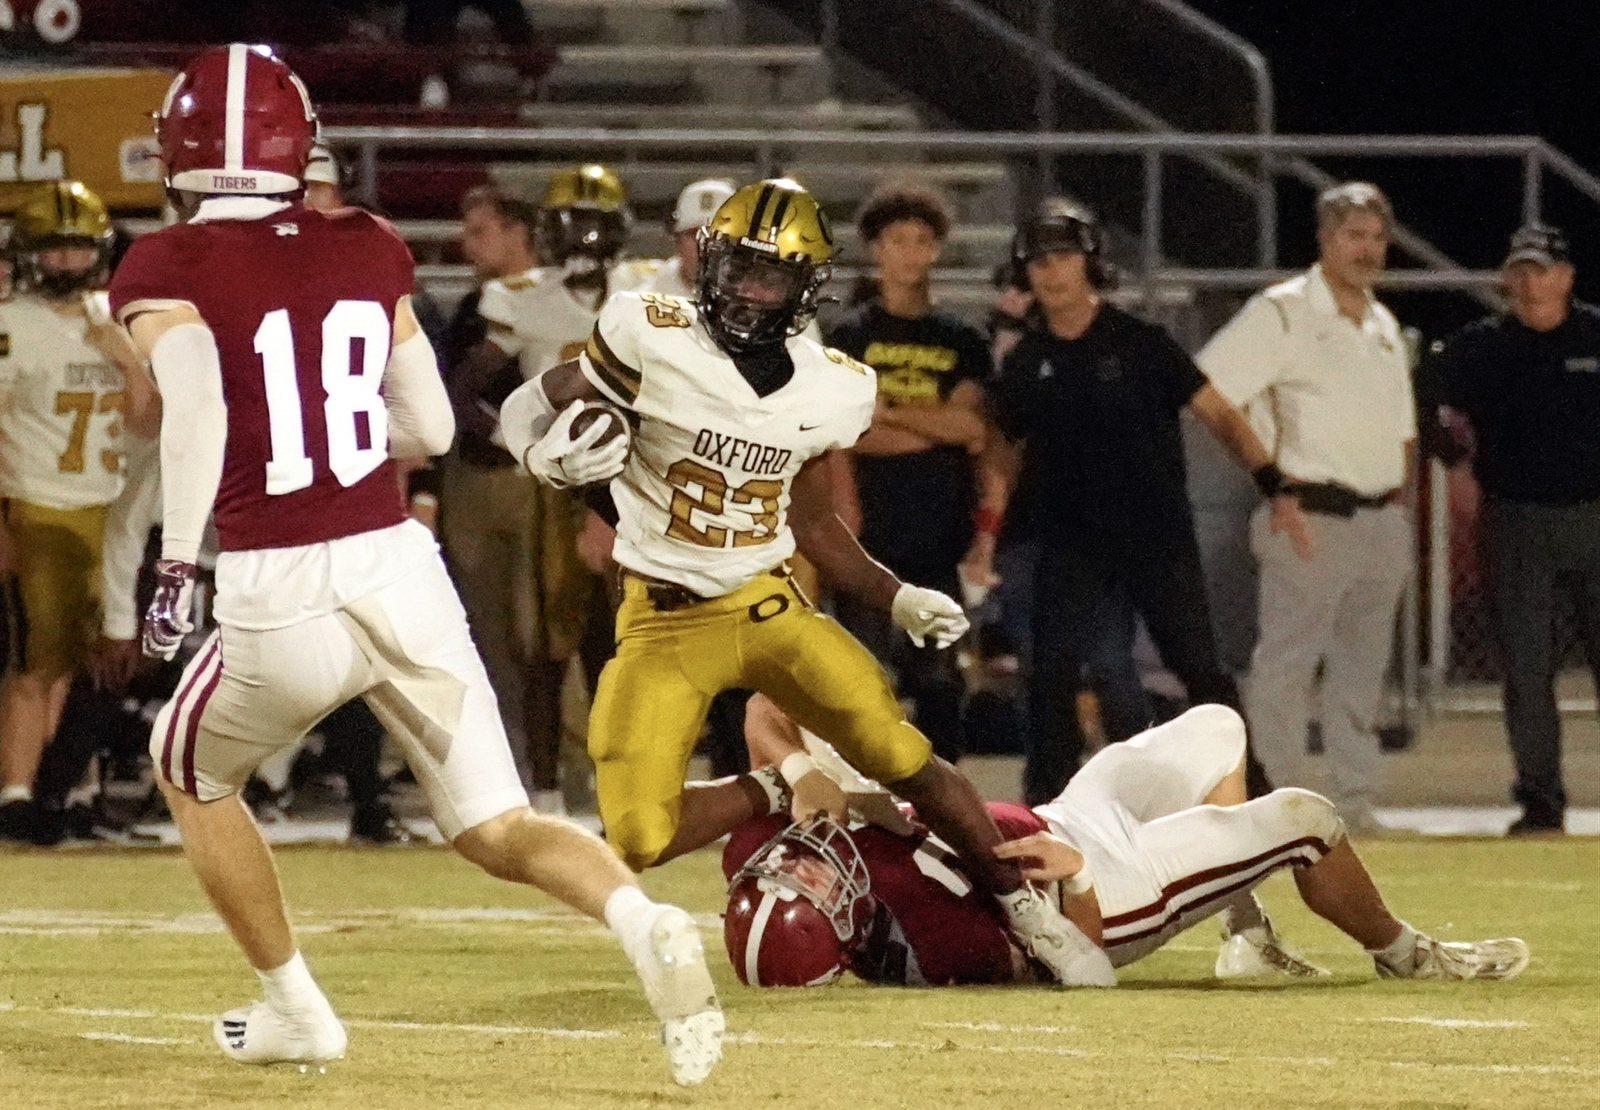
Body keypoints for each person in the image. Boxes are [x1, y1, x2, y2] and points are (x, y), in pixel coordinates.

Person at [108, 45, 720, 1084]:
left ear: (176, 147)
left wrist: (173, 564)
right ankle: (641, 917)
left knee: (187, 768)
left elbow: (202, 402)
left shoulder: (164, 264)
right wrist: (330, 433)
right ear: (297, 141)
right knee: (500, 821)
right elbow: (430, 425)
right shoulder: (367, 240)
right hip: (399, 562)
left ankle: (296, 1008)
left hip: (282, 578)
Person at [499, 176, 1106, 986]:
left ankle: (1025, 907)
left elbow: (814, 522)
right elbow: (523, 408)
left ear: (805, 288)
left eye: (772, 277)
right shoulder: (650, 330)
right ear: (708, 261)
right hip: (663, 616)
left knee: (905, 755)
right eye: (738, 268)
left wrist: (894, 594)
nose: (749, 290)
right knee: (637, 835)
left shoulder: (833, 385)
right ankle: (774, 788)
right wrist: (544, 457)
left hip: (768, 602)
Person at [724, 704, 1531, 988]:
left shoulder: (769, 858)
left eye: (793, 867)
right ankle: (1404, 952)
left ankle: (1246, 936)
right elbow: (1081, 959)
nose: (807, 861)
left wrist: (798, 768)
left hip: (1059, 812)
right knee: (1307, 819)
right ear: (845, 924)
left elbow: (769, 699)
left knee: (1217, 728)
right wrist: (1076, 883)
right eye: (816, 883)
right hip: (1106, 891)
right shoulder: (931, 946)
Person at [964, 199, 1287, 805]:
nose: (1050, 272)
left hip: (1155, 536)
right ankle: (1046, 805)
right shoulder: (1030, 361)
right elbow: (1002, 450)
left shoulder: (1142, 343)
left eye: (1062, 257)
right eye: (1037, 262)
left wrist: (1272, 481)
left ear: (1089, 264)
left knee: (1198, 666)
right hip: (1071, 541)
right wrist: (987, 533)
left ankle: (1254, 791)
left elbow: (1217, 412)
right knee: (1051, 676)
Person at [1198, 182, 1415, 836]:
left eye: (1376, 237)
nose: (1367, 249)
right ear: (1324, 240)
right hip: (1310, 516)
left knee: (1360, 673)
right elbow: (1210, 394)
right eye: (1353, 235)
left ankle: (1353, 805)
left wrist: (1397, 505)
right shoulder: (1284, 312)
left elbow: (1402, 432)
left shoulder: (1380, 323)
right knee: (1287, 668)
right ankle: (1280, 808)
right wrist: (1270, 482)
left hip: (1379, 520)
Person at [451, 165, 653, 813]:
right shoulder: (521, 298)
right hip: (559, 493)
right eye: (577, 226)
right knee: (545, 645)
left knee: (626, 642)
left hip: (637, 486)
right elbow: (465, 394)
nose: (588, 241)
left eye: (599, 227)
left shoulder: (648, 292)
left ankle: (619, 788)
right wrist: (525, 441)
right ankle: (545, 796)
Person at [1422, 224, 1600, 836]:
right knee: (1526, 670)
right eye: (1518, 271)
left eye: (1541, 270)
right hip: (1516, 519)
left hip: (1594, 516)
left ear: (1567, 277)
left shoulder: (1595, 334)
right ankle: (1541, 801)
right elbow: (1423, 402)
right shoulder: (1481, 347)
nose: (1529, 283)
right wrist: (1455, 463)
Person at [0, 179, 157, 840]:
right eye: (54, 249)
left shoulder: (117, 319)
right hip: (36, 505)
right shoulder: (10, 322)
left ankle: (46, 793)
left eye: (76, 249)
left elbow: (149, 427)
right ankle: (15, 795)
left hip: (105, 512)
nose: (66, 261)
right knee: (36, 664)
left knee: (71, 667)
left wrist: (129, 364)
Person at [824, 182, 992, 763]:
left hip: (939, 527)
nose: (910, 253)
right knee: (861, 675)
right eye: (897, 240)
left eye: (922, 241)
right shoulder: (847, 336)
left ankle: (945, 803)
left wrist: (889, 412)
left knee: (939, 679)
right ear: (875, 249)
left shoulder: (962, 338)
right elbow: (846, 432)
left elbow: (971, 427)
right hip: (867, 528)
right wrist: (930, 426)